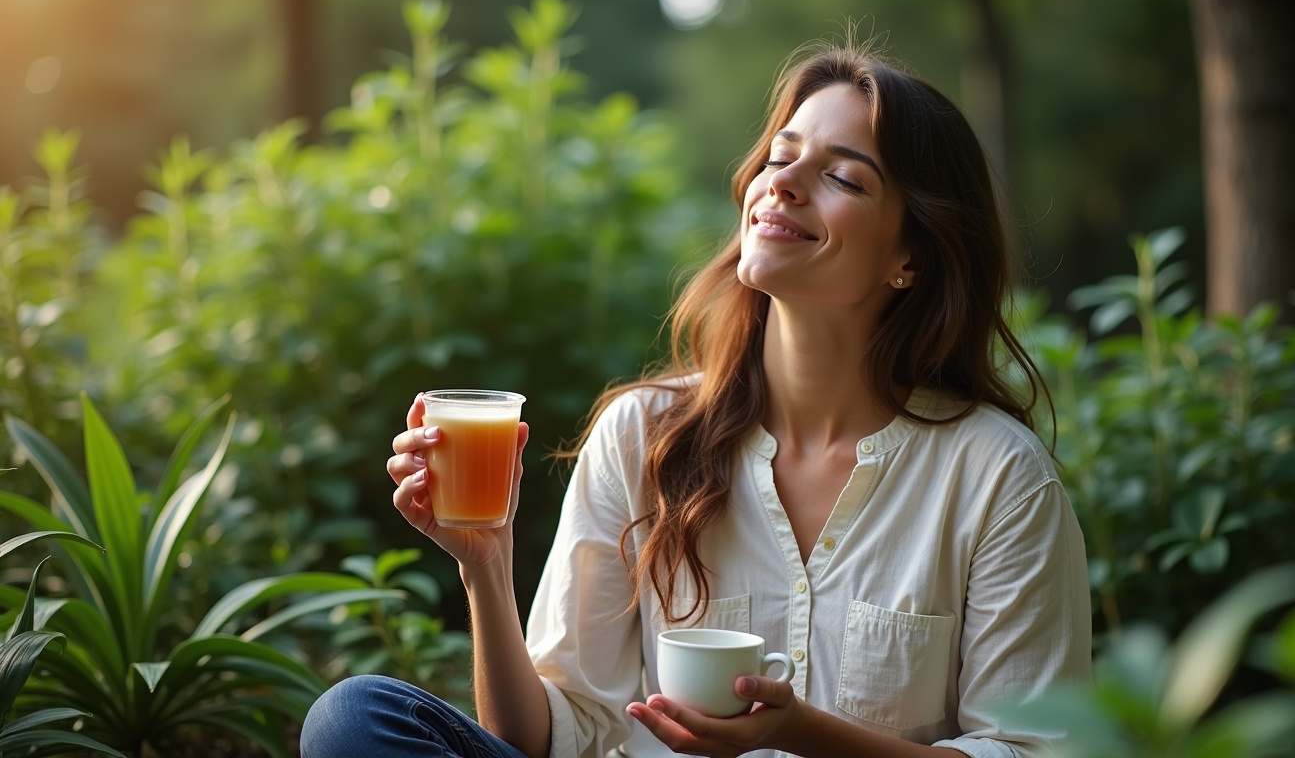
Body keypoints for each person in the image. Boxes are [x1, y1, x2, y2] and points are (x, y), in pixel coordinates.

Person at [301, 39, 1091, 758]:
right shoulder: (642, 433)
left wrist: (802, 731)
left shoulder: (996, 476)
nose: (782, 183)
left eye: (842, 177)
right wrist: (486, 563)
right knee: (353, 719)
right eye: (780, 156)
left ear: (910, 257)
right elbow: (548, 737)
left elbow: (1030, 752)